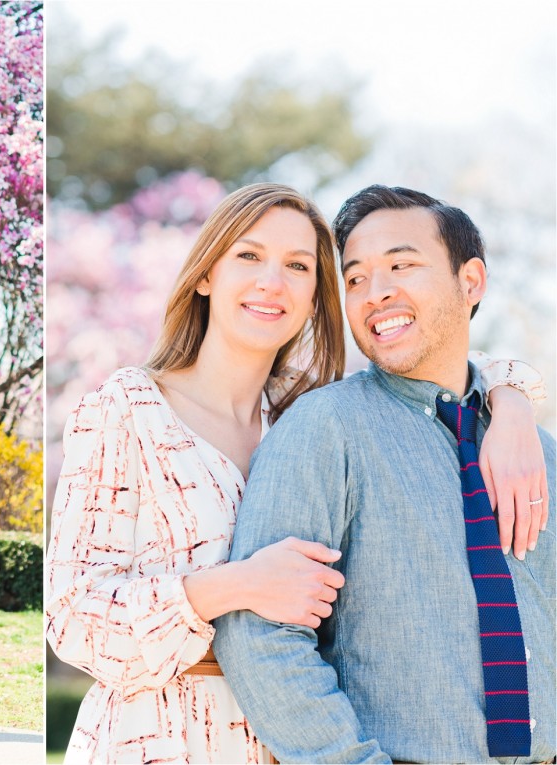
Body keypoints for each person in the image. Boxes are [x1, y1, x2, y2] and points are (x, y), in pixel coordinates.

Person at [46, 183, 548, 763]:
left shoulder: (302, 414)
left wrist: (510, 401)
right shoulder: (127, 410)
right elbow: (73, 617)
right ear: (206, 273)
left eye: (298, 266)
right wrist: (230, 586)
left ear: (315, 297)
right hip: (157, 733)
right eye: (249, 256)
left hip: (284, 743)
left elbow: (439, 356)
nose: (272, 282)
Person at [214, 185, 555, 763]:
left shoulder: (535, 449)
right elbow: (260, 633)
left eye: (401, 265)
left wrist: (514, 401)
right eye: (355, 278)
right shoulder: (325, 427)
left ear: (470, 281)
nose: (377, 293)